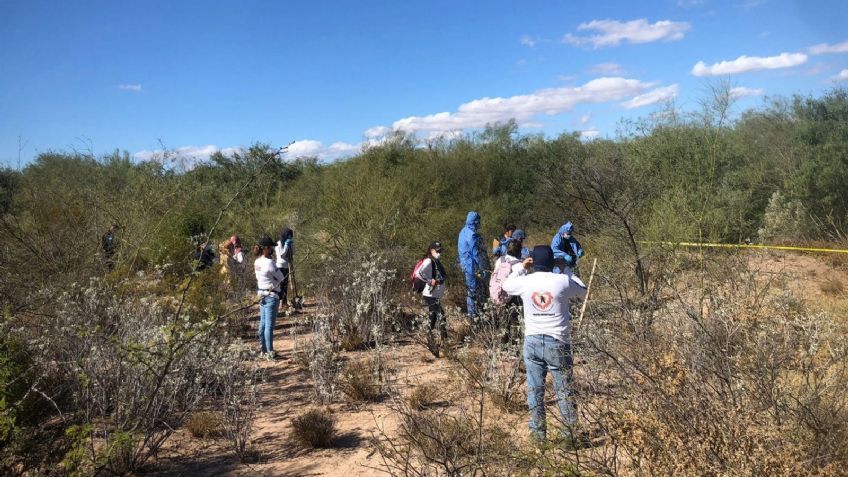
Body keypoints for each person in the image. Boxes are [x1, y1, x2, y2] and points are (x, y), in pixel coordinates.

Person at [502, 245, 587, 443]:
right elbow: (583, 291)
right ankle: (569, 438)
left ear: (533, 261)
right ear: (552, 261)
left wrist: (521, 267)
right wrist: (566, 268)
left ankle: (538, 435)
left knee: (535, 390)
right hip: (557, 341)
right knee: (564, 390)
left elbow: (506, 285)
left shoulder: (526, 281)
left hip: (532, 341)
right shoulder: (562, 280)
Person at [414, 241, 447, 357]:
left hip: (435, 294)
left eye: (440, 251)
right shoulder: (428, 261)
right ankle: (436, 340)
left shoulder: (436, 261)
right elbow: (419, 273)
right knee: (437, 314)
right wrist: (429, 280)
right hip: (429, 294)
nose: (439, 253)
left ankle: (439, 339)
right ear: (431, 250)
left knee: (437, 315)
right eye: (437, 251)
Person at [254, 236, 284, 360]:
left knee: (263, 323)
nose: (272, 249)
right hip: (271, 295)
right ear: (266, 248)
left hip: (261, 294)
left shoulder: (256, 262)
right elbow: (281, 277)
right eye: (271, 247)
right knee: (269, 325)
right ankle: (270, 352)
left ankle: (263, 350)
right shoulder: (270, 263)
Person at [457, 211, 489, 320]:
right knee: (475, 291)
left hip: (466, 266)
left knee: (471, 291)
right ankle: (475, 316)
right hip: (473, 267)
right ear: (475, 221)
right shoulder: (472, 235)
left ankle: (473, 315)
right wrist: (484, 269)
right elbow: (476, 254)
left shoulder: (463, 232)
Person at [275, 227, 294, 307]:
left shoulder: (288, 242)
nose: (289, 237)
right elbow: (282, 255)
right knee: (281, 284)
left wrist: (291, 245)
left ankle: (284, 302)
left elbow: (293, 253)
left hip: (287, 266)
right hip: (280, 266)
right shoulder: (278, 244)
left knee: (285, 285)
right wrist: (286, 245)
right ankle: (279, 302)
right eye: (288, 235)